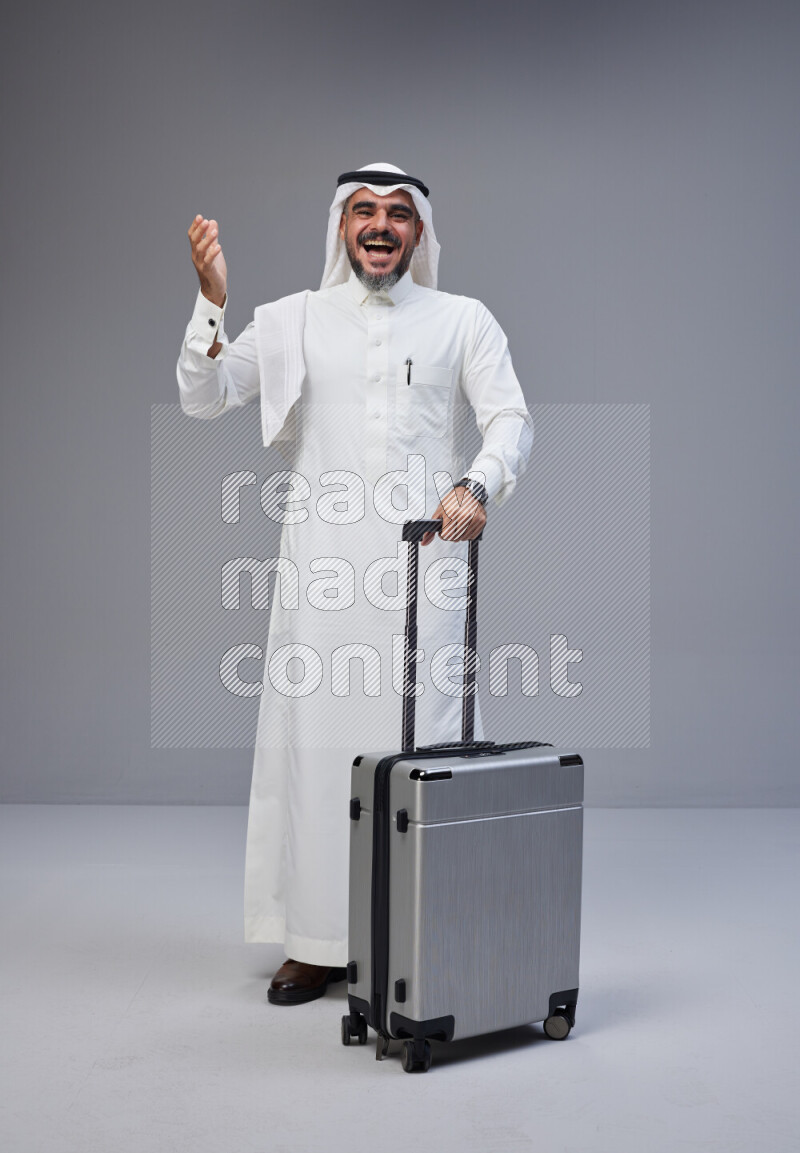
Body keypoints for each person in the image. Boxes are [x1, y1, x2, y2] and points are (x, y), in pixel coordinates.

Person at [177, 163, 533, 1004]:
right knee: (321, 752)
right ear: (341, 227)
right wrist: (211, 300)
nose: (380, 225)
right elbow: (205, 395)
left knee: (433, 749)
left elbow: (510, 418)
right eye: (364, 211)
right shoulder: (295, 320)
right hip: (322, 574)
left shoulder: (462, 321)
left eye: (398, 214)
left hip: (426, 571)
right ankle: (319, 940)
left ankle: (432, 928)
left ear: (420, 233)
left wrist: (477, 486)